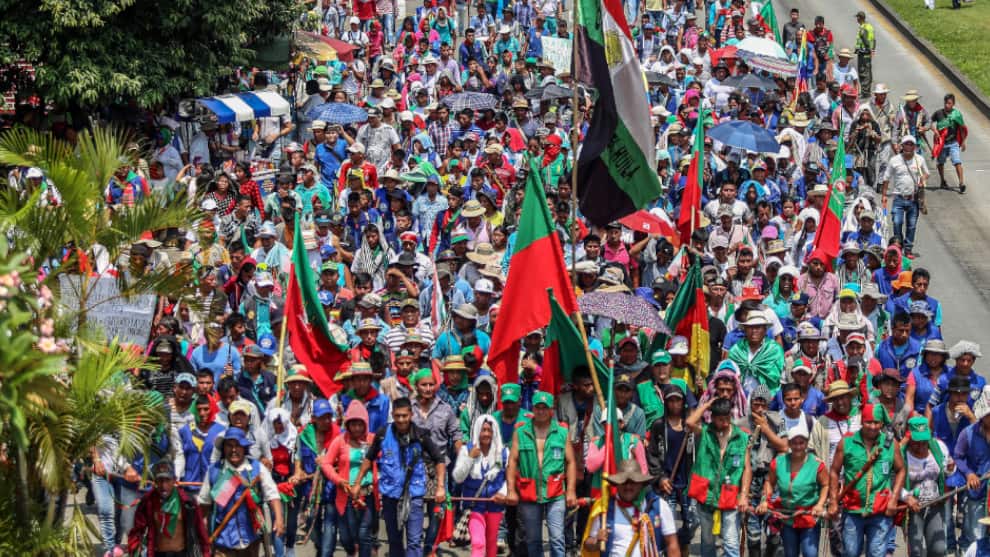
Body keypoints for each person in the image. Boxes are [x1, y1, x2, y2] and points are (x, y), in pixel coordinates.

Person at [356, 396, 447, 557]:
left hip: (414, 495)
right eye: (397, 416)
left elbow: (439, 460)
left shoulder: (421, 435)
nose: (401, 420)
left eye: (404, 416)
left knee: (413, 541)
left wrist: (440, 487)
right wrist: (357, 483)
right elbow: (369, 458)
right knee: (394, 542)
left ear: (411, 415)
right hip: (390, 495)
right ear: (393, 414)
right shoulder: (383, 434)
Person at [506, 390, 577, 557]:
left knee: (557, 538)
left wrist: (571, 490)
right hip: (528, 491)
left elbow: (571, 461)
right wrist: (510, 490)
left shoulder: (562, 432)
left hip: (556, 491)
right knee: (533, 540)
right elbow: (512, 462)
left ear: (551, 409)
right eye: (538, 407)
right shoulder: (521, 432)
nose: (541, 411)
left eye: (545, 408)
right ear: (533, 408)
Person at [827, 403, 905, 557]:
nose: (873, 427)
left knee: (876, 554)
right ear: (862, 421)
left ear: (882, 424)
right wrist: (834, 501)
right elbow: (834, 471)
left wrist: (894, 499)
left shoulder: (890, 444)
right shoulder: (847, 442)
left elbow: (901, 470)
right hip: (853, 509)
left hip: (880, 510)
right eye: (869, 422)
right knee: (850, 553)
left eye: (877, 423)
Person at [198, 427, 284, 557]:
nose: (233, 450)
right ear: (223, 448)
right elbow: (204, 504)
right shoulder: (214, 471)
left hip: (251, 541)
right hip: (223, 542)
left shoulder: (256, 468)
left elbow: (272, 494)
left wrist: (279, 519)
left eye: (238, 445)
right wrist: (203, 535)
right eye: (229, 445)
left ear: (244, 447)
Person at [686, 397, 750, 557]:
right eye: (721, 419)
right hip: (705, 494)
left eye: (728, 418)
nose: (725, 423)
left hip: (730, 494)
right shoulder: (705, 432)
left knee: (731, 542)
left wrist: (743, 495)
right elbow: (689, 423)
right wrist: (706, 405)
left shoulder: (741, 437)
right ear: (713, 418)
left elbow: (747, 468)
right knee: (707, 542)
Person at [756, 420, 828, 557]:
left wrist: (820, 505)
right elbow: (769, 483)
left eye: (801, 443)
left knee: (810, 553)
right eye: (794, 443)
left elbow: (825, 485)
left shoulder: (817, 464)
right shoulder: (778, 462)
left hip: (809, 516)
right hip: (786, 516)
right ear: (789, 443)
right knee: (790, 553)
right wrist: (765, 500)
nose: (798, 446)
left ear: (807, 444)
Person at [583, 459, 682, 557]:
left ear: (641, 483)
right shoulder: (604, 508)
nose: (628, 487)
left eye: (633, 482)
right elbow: (587, 544)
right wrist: (596, 542)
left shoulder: (658, 506)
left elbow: (672, 544)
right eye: (624, 482)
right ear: (617, 484)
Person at [322, 400, 377, 557]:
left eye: (360, 424)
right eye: (353, 424)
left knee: (364, 534)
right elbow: (326, 463)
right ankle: (352, 551)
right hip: (346, 495)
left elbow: (385, 458)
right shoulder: (340, 441)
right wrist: (338, 480)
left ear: (365, 423)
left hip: (368, 494)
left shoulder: (373, 440)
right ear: (348, 425)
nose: (357, 428)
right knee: (348, 536)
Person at [452, 414, 509, 557]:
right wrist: (470, 458)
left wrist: (503, 493)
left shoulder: (503, 452)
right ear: (477, 430)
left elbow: (509, 478)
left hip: (495, 505)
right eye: (483, 430)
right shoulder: (467, 450)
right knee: (478, 543)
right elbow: (458, 477)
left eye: (489, 430)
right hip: (474, 506)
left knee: (491, 545)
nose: (486, 434)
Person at [128, 461, 211, 557]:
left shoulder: (187, 502)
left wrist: (206, 553)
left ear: (174, 481)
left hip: (182, 554)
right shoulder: (148, 501)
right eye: (160, 480)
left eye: (167, 480)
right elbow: (137, 530)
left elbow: (200, 529)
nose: (164, 486)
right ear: (155, 482)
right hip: (158, 554)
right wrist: (134, 550)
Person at [901, 416, 955, 557]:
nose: (921, 446)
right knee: (916, 551)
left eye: (924, 442)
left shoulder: (939, 448)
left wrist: (950, 469)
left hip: (935, 505)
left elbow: (948, 474)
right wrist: (907, 498)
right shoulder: (901, 454)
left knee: (938, 549)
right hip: (913, 509)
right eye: (916, 443)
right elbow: (892, 483)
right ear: (909, 437)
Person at [881, 135, 928, 258]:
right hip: (898, 198)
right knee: (897, 223)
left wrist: (922, 179)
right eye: (906, 144)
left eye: (911, 144)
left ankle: (908, 249)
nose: (908, 146)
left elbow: (926, 173)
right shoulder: (894, 160)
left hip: (913, 199)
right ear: (902, 146)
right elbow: (886, 178)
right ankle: (898, 246)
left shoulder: (919, 160)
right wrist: (884, 195)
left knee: (911, 225)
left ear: (914, 147)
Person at [931, 93, 968, 192]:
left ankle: (961, 183)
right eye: (946, 103)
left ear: (953, 104)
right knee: (940, 163)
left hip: (953, 143)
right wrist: (935, 131)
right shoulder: (938, 113)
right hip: (942, 144)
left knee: (957, 161)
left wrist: (963, 142)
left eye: (949, 103)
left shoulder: (957, 115)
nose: (947, 105)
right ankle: (942, 181)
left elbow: (961, 128)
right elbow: (929, 122)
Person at [854, 11, 875, 96]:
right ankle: (866, 91)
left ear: (860, 18)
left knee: (863, 72)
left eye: (857, 17)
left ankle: (865, 92)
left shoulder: (863, 28)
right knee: (867, 71)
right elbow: (874, 40)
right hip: (867, 53)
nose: (856, 19)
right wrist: (872, 50)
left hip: (863, 53)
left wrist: (868, 49)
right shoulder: (870, 27)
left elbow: (864, 39)